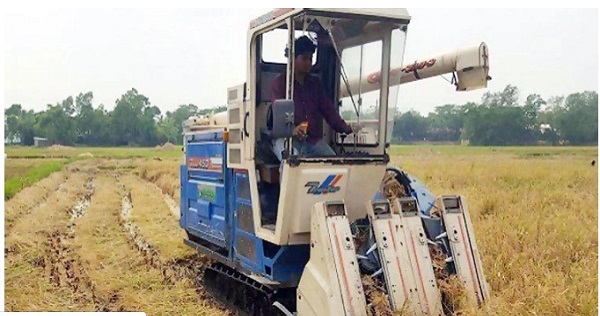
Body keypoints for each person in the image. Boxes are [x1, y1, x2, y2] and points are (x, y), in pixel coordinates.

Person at [270, 35, 356, 162]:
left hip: (312, 140)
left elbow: (328, 110)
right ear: (293, 58)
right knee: (289, 160)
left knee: (334, 162)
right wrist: (293, 129)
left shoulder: (315, 84)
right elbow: (279, 113)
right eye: (304, 58)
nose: (308, 63)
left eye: (310, 59)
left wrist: (345, 127)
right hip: (286, 138)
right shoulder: (279, 83)